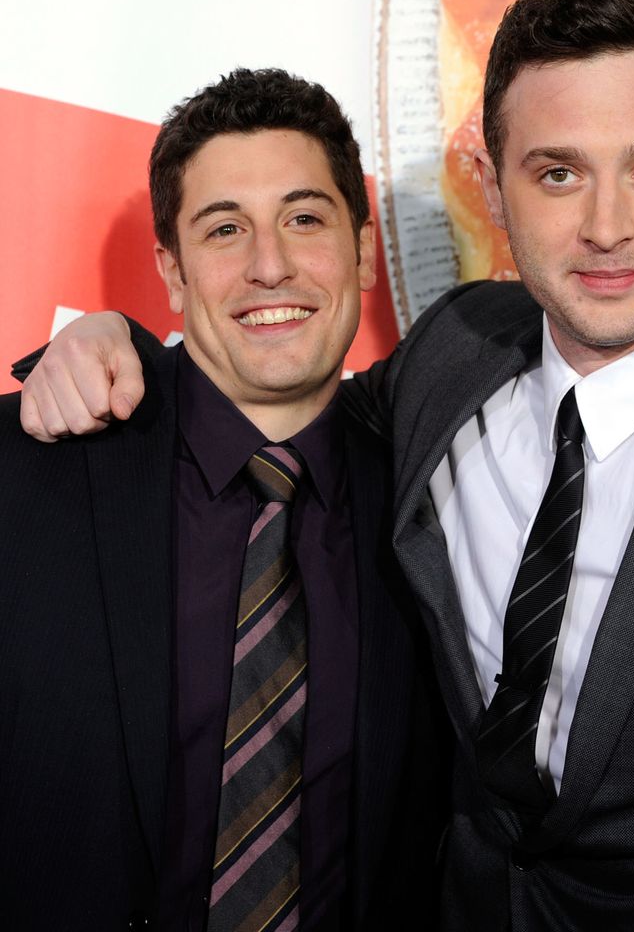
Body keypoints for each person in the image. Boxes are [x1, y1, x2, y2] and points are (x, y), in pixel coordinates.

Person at [16, 0, 634, 929]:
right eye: (559, 173)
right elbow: (277, 393)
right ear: (491, 188)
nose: (606, 227)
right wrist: (113, 343)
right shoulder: (453, 354)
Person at [0, 68, 447, 931]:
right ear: (172, 273)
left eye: (304, 219)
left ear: (362, 251)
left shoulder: (438, 489)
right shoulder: (28, 469)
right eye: (225, 229)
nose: (269, 266)